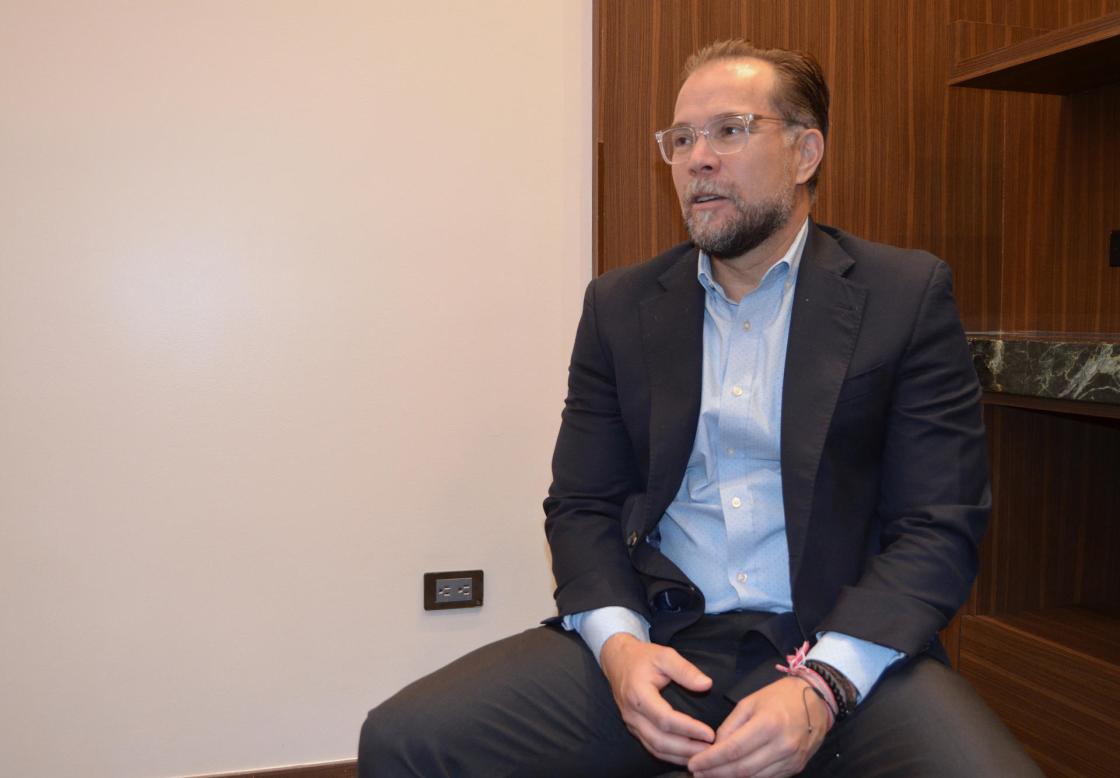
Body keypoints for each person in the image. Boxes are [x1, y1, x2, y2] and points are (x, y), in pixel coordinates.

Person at [359, 40, 1041, 777]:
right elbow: (582, 504)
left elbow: (939, 526)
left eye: (731, 130)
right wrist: (621, 651)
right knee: (405, 739)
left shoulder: (903, 296)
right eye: (681, 138)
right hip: (666, 634)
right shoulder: (620, 307)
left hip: (836, 641)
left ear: (806, 152)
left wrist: (823, 683)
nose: (697, 158)